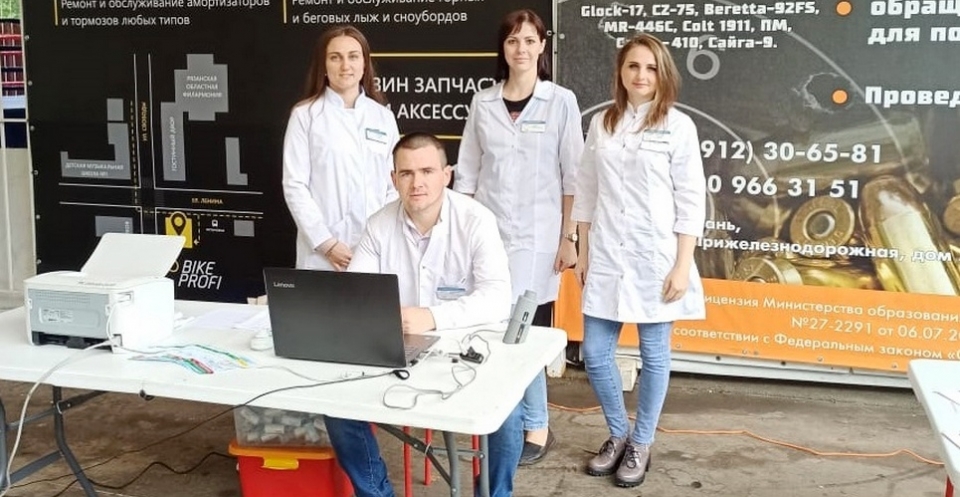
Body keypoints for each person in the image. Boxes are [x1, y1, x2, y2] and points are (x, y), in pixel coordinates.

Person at [324, 132, 522, 497]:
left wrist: (431, 316)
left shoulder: (476, 220)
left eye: (427, 171)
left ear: (447, 175)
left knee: (508, 411)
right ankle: (376, 493)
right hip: (396, 347)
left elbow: (497, 298)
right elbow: (356, 295)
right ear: (393, 179)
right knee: (334, 403)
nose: (417, 183)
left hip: (467, 347)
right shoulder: (379, 224)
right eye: (407, 173)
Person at [571, 33, 706, 488]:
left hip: (656, 259)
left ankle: (642, 442)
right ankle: (618, 433)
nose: (641, 75)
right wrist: (582, 252)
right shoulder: (602, 124)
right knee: (595, 353)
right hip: (607, 253)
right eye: (633, 66)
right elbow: (586, 190)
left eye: (650, 68)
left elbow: (691, 200)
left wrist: (682, 264)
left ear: (663, 74)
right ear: (621, 72)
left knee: (654, 353)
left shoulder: (678, 126)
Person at [454, 8, 583, 465]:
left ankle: (536, 426)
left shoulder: (560, 101)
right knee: (491, 328)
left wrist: (569, 237)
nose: (521, 49)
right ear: (503, 48)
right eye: (513, 41)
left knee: (524, 332)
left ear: (542, 45)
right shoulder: (483, 103)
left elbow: (573, 177)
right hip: (487, 236)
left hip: (539, 237)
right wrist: (457, 235)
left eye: (529, 40)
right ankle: (499, 418)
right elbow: (467, 176)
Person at [282, 25, 400, 272]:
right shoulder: (306, 115)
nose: (345, 65)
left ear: (364, 64)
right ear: (324, 65)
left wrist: (378, 237)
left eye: (353, 56)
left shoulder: (383, 117)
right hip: (321, 255)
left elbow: (393, 186)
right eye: (335, 57)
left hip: (374, 248)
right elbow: (295, 186)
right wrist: (326, 243)